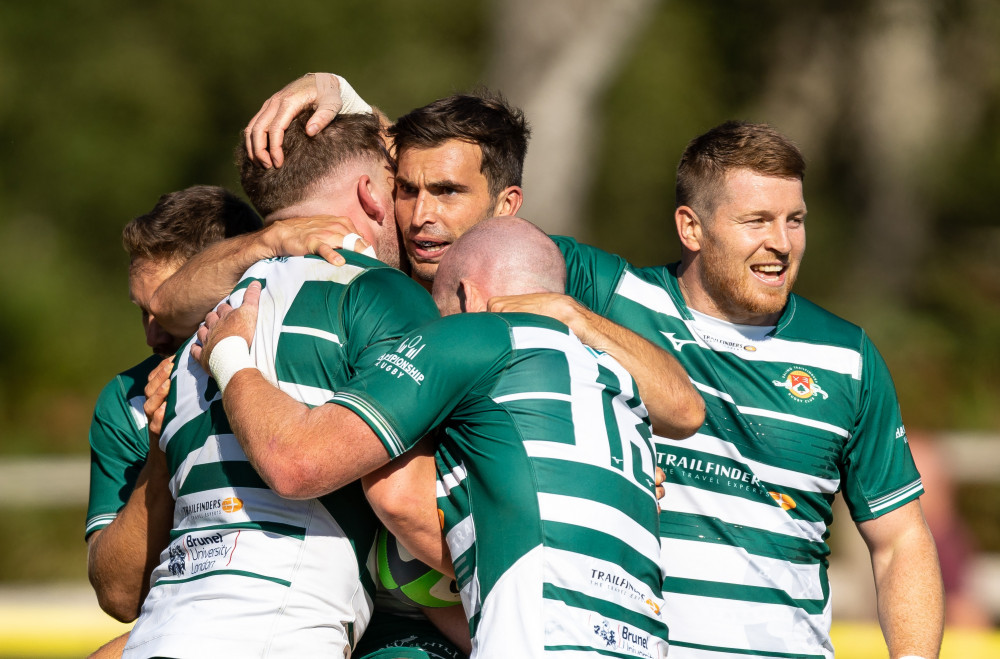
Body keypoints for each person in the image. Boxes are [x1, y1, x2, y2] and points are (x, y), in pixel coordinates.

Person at [536, 120, 944, 659]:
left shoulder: (847, 357)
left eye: (794, 220)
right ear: (691, 227)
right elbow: (479, 233)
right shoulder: (609, 295)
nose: (781, 243)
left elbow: (901, 542)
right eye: (757, 221)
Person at [197, 217, 671, 658]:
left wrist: (229, 356)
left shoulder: (478, 333)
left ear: (466, 297)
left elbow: (299, 464)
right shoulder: (618, 384)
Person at [121, 112, 447, 658]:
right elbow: (406, 501)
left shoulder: (199, 325)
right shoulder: (378, 294)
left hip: (159, 632)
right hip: (275, 631)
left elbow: (168, 301)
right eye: (400, 190)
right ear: (372, 194)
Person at [85, 185, 262, 621]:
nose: (153, 336)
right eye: (143, 311)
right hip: (188, 618)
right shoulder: (127, 400)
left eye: (169, 310)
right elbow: (119, 598)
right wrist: (160, 458)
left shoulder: (304, 361)